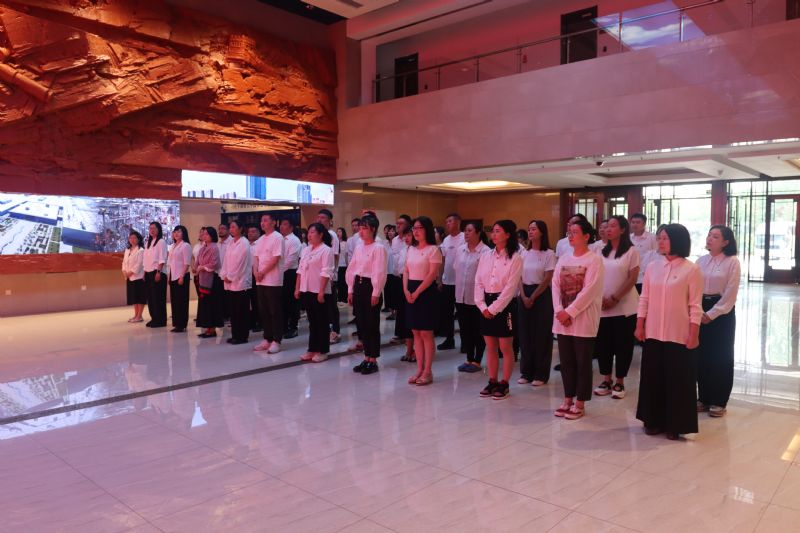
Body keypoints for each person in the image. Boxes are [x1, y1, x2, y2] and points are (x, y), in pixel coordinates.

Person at [635, 224, 702, 440]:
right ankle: (652, 420)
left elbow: (695, 305)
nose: (660, 242)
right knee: (652, 378)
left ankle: (676, 424)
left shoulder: (691, 269)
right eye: (660, 238)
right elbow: (644, 298)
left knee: (677, 381)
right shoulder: (653, 267)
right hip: (653, 333)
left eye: (665, 238)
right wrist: (639, 325)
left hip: (679, 334)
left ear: (678, 241)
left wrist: (694, 333)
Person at [552, 218, 604, 419]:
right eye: (569, 232)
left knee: (582, 362)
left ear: (586, 236)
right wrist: (559, 310)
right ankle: (567, 399)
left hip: (583, 319)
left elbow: (590, 291)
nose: (570, 236)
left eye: (575, 232)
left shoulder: (594, 260)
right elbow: (555, 285)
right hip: (562, 318)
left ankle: (580, 402)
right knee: (566, 362)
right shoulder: (564, 258)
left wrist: (570, 312)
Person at [475, 220, 523, 400]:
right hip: (486, 304)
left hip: (505, 304)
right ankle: (492, 380)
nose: (493, 234)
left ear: (508, 235)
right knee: (490, 346)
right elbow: (478, 282)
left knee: (505, 346)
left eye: (498, 231)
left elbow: (510, 288)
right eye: (493, 231)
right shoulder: (486, 255)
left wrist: (494, 309)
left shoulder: (515, 258)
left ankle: (504, 383)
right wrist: (482, 305)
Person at [696, 225, 740, 418]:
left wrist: (712, 314)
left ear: (725, 242)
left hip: (722, 312)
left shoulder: (732, 262)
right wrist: (698, 311)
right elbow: (693, 288)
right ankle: (703, 397)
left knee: (721, 356)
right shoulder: (701, 261)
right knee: (702, 355)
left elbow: (730, 294)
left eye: (715, 236)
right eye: (709, 235)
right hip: (700, 308)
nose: (709, 238)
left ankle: (719, 400)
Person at [594, 216, 639, 399]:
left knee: (623, 345)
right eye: (606, 227)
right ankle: (606, 379)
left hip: (625, 307)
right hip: (602, 306)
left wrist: (615, 298)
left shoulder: (631, 251)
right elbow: (594, 276)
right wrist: (601, 299)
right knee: (603, 345)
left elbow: (632, 278)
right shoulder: (600, 251)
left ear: (622, 230)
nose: (608, 229)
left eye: (613, 226)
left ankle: (619, 381)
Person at [347, 214, 389, 375]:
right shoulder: (359, 247)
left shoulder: (378, 248)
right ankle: (366, 357)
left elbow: (379, 271)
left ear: (373, 229)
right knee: (362, 324)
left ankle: (373, 359)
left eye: (364, 228)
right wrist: (350, 289)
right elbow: (352, 268)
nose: (361, 231)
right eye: (360, 228)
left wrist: (376, 292)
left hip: (371, 287)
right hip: (358, 285)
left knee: (372, 324)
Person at [404, 216, 443, 385]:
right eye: (414, 228)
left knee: (426, 333)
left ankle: (428, 371)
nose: (416, 231)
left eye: (419, 228)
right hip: (411, 289)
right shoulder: (411, 249)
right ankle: (419, 369)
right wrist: (406, 290)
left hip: (426, 292)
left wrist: (417, 291)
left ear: (427, 229)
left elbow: (432, 274)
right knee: (416, 332)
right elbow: (406, 271)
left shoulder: (433, 250)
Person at [517, 220, 556, 385]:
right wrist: (524, 295)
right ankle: (526, 372)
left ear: (542, 232)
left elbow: (547, 278)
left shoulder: (549, 254)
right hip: (523, 293)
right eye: (529, 229)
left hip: (541, 295)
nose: (530, 232)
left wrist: (532, 297)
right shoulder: (523, 254)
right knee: (525, 334)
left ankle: (541, 374)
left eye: (534, 229)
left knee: (541, 335)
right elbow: (518, 276)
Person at [454, 222, 490, 373]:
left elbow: (486, 276)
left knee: (477, 330)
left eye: (469, 230)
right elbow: (456, 269)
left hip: (478, 298)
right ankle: (469, 358)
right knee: (465, 329)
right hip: (461, 295)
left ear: (478, 233)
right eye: (465, 231)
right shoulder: (460, 249)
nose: (466, 233)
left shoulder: (486, 251)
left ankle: (477, 360)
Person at [296, 223, 334, 363]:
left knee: (322, 322)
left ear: (321, 234)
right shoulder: (306, 250)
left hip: (320, 291)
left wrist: (321, 291)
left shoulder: (326, 250)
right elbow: (300, 270)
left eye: (313, 232)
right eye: (309, 232)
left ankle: (323, 350)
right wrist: (297, 288)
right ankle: (312, 349)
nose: (309, 235)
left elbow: (326, 272)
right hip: (307, 289)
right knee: (312, 322)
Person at [252, 214, 284, 354]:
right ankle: (267, 338)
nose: (262, 223)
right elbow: (256, 259)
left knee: (274, 311)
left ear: (273, 222)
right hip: (260, 280)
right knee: (263, 310)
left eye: (265, 220)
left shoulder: (277, 237)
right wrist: (256, 272)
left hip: (273, 280)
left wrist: (262, 272)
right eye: (261, 221)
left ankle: (277, 340)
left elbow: (275, 259)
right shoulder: (260, 240)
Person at [219, 219, 252, 345]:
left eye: (233, 227)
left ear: (240, 229)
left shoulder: (244, 243)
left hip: (241, 282)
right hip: (230, 282)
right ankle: (235, 334)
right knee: (233, 310)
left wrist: (230, 276)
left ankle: (242, 336)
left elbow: (240, 263)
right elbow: (226, 261)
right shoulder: (231, 243)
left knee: (241, 310)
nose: (231, 229)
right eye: (230, 227)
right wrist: (224, 275)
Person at [437, 213, 464, 351]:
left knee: (462, 314)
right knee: (447, 313)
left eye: (450, 221)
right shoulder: (446, 240)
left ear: (458, 222)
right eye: (446, 221)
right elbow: (442, 260)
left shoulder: (465, 237)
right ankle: (449, 339)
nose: (448, 224)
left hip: (461, 283)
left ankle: (466, 342)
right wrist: (439, 278)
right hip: (447, 282)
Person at [317, 209, 341, 344]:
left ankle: (335, 332)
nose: (319, 220)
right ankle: (325, 331)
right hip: (320, 276)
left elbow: (335, 256)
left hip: (330, 277)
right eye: (318, 217)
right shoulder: (318, 235)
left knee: (331, 306)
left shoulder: (332, 235)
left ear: (329, 221)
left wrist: (332, 275)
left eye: (322, 218)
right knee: (323, 306)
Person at [195, 226, 223, 338]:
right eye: (203, 234)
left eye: (207, 234)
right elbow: (198, 260)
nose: (204, 235)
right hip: (203, 278)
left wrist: (202, 267)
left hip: (212, 279)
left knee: (211, 305)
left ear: (212, 235)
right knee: (204, 305)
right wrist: (197, 267)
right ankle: (207, 327)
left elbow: (214, 263)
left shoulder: (214, 247)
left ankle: (212, 329)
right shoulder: (203, 247)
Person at [394, 227, 415, 362]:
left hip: (414, 284)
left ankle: (417, 350)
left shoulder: (417, 250)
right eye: (405, 236)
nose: (406, 238)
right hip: (402, 283)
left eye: (409, 235)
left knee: (414, 319)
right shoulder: (403, 250)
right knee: (405, 318)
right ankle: (409, 349)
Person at [167, 225, 192, 333]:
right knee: (175, 301)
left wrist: (181, 276)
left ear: (183, 233)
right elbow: (170, 263)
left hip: (182, 276)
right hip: (173, 276)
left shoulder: (185, 246)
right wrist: (169, 276)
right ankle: (176, 323)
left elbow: (187, 263)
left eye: (179, 232)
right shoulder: (172, 246)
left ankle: (182, 324)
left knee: (182, 301)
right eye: (175, 232)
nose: (176, 234)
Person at [143, 221, 168, 328]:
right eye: (150, 228)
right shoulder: (148, 243)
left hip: (157, 272)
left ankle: (161, 320)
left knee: (158, 297)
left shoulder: (161, 241)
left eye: (154, 228)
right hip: (148, 272)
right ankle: (154, 318)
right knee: (151, 297)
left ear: (159, 229)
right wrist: (144, 272)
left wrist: (158, 272)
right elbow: (146, 259)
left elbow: (162, 258)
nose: (151, 230)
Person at [280, 218, 302, 338]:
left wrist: (278, 271)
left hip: (290, 273)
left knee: (292, 302)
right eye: (281, 224)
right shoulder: (280, 239)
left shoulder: (294, 240)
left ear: (291, 227)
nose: (281, 226)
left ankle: (293, 327)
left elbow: (290, 260)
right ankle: (283, 326)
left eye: (284, 224)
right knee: (283, 301)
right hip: (281, 273)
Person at [122, 230, 146, 323]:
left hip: (138, 277)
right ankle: (136, 315)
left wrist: (130, 273)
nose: (132, 240)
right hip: (129, 277)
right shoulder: (127, 250)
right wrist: (124, 271)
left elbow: (139, 264)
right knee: (134, 297)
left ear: (138, 239)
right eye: (130, 238)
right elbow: (124, 262)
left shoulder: (141, 250)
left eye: (134, 238)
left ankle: (139, 316)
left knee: (140, 297)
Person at [630, 213, 657, 294]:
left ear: (644, 224)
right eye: (633, 222)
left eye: (638, 222)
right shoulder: (628, 238)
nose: (635, 224)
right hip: (631, 276)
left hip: (646, 276)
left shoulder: (652, 238)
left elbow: (657, 256)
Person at [246, 224, 263, 333]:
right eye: (249, 232)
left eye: (253, 231)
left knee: (258, 300)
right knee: (250, 300)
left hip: (258, 274)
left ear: (258, 233)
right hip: (247, 274)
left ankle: (260, 322)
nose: (250, 234)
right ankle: (251, 321)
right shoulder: (246, 244)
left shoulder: (261, 244)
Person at [336, 227, 349, 303]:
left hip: (343, 265)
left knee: (343, 282)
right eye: (337, 231)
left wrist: (347, 265)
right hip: (337, 265)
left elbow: (346, 255)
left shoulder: (345, 243)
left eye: (340, 231)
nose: (338, 233)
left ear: (343, 233)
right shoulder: (335, 243)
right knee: (338, 282)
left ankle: (344, 298)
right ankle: (339, 297)